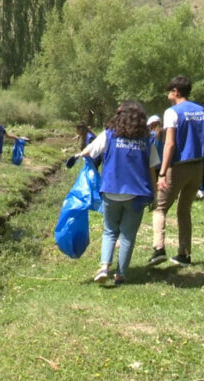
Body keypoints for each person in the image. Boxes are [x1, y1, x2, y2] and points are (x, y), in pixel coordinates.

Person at [75, 101, 159, 285]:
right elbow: (152, 168)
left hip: (111, 190)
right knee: (128, 235)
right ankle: (120, 274)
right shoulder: (148, 139)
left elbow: (89, 152)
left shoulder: (109, 135)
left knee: (110, 231)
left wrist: (81, 157)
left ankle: (104, 266)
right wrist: (155, 194)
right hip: (137, 194)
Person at [149, 76, 204, 267]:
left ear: (176, 92)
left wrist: (162, 173)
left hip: (177, 167)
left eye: (169, 91)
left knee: (160, 208)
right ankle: (184, 254)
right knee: (184, 210)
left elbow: (170, 144)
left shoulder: (172, 112)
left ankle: (159, 250)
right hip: (197, 167)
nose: (168, 95)